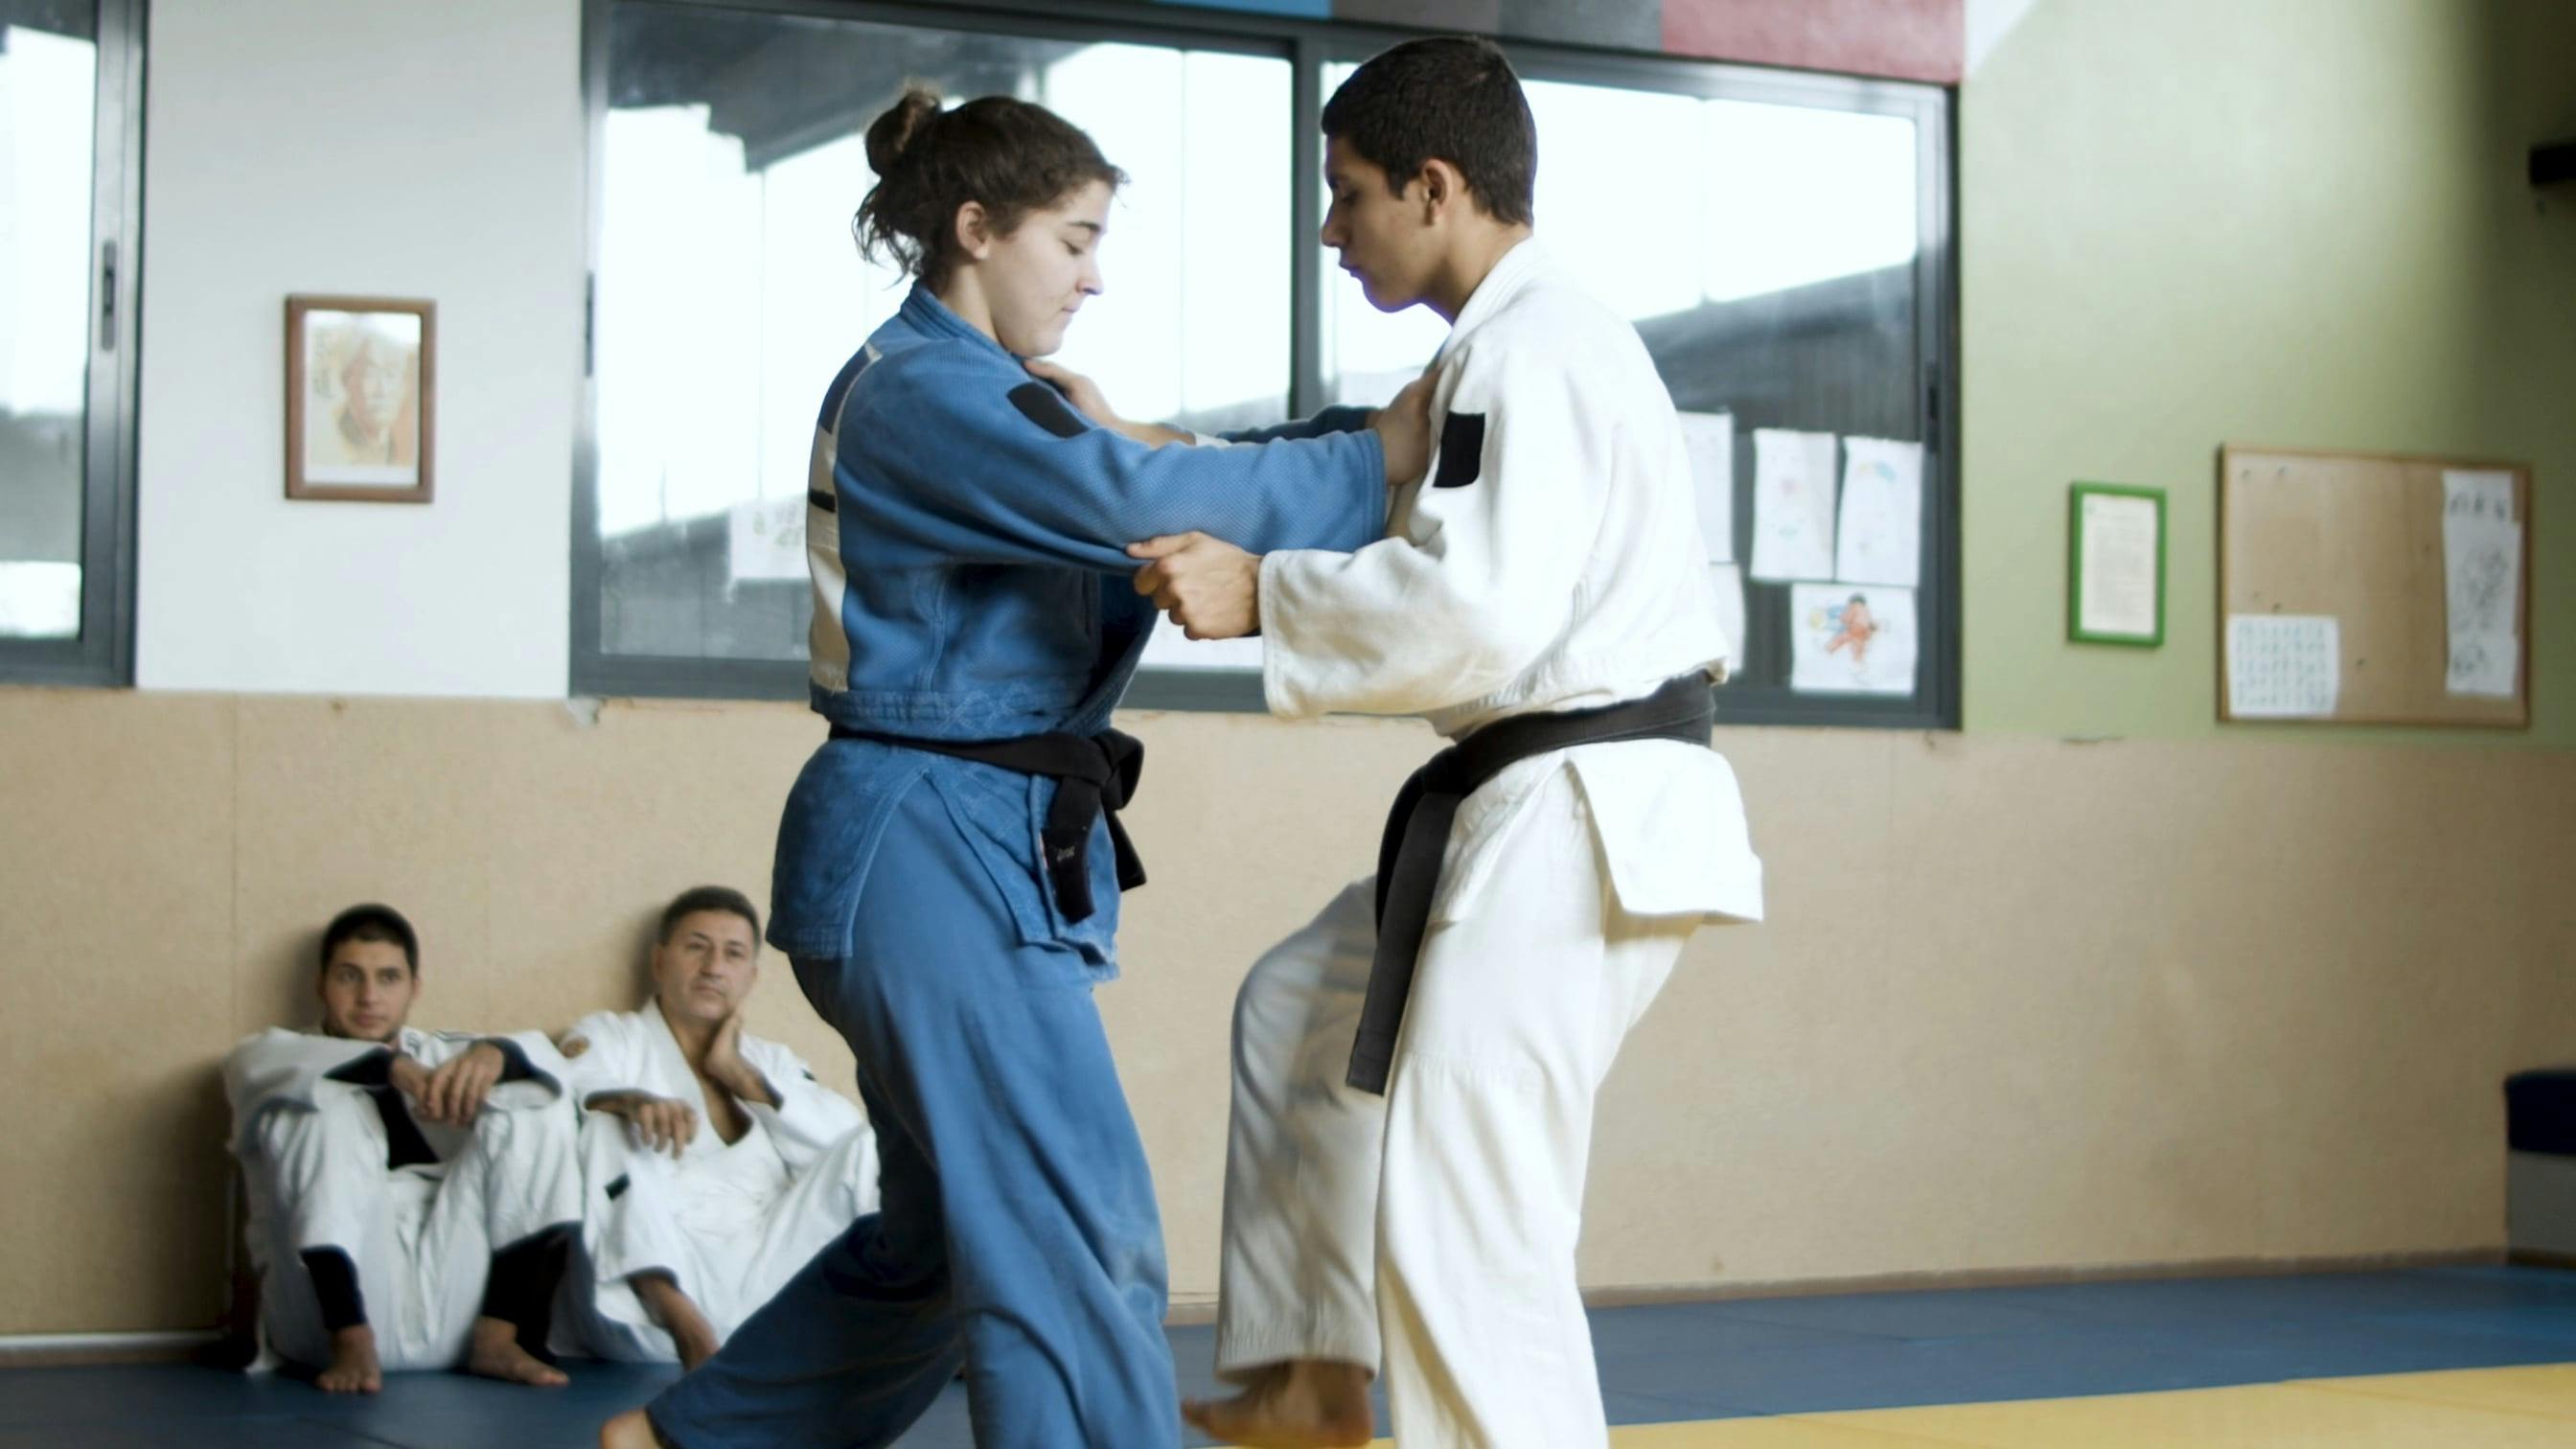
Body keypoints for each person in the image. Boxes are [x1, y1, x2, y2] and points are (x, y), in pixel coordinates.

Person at [603, 85, 1430, 1449]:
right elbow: (1130, 502)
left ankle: (687, 1440)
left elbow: (1133, 467)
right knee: (1072, 1224)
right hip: (928, 849)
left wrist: (1348, 443)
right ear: (976, 228)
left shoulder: (976, 391)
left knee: (941, 1245)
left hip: (943, 846)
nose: (1096, 276)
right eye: (1075, 238)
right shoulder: (927, 391)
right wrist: (1378, 455)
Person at [1118, 37, 1767, 1449]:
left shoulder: (1529, 353)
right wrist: (1163, 452)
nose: (1329, 227)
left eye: (1347, 193)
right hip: (1539, 800)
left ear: (1433, 186)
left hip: (1578, 812)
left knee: (1471, 1212)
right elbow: (1367, 478)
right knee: (1302, 1010)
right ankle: (1314, 1378)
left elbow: (1476, 610)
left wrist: (1258, 596)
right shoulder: (1493, 357)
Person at [222, 903, 582, 1393]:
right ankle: (351, 1337)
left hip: (452, 1306)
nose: (369, 997)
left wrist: (496, 1055)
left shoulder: (443, 1055)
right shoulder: (271, 1055)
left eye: (388, 978)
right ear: (320, 984)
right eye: (350, 977)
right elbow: (257, 1066)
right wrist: (391, 1068)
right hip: (324, 1331)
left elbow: (556, 1066)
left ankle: (500, 1336)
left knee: (534, 1099)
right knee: (322, 1102)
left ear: (414, 988)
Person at [559, 886, 880, 1369]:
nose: (713, 967)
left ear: (750, 976)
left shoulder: (770, 1063)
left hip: (769, 1280)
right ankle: (685, 1321)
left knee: (875, 1142)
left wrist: (746, 1081)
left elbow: (846, 1146)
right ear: (659, 961)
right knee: (608, 1125)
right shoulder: (613, 1038)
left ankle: (936, 1324)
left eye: (732, 954)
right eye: (696, 947)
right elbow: (571, 1082)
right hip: (655, 1300)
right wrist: (634, 1100)